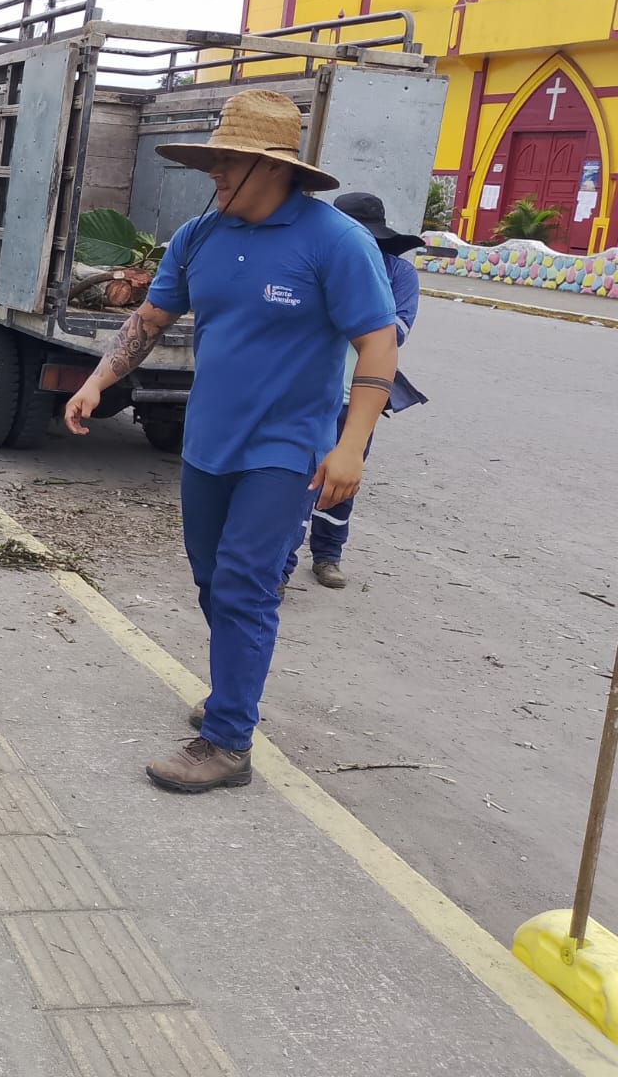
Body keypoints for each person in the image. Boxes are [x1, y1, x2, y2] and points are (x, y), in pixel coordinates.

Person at [63, 89, 398, 794]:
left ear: (273, 167)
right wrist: (97, 381)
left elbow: (377, 342)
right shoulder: (199, 237)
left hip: (286, 447)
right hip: (207, 441)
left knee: (246, 585)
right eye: (212, 160)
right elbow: (150, 320)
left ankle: (227, 741)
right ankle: (232, 690)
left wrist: (351, 446)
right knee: (212, 581)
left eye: (227, 161)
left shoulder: (336, 242)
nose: (212, 172)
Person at [281, 191, 425, 592]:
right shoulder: (315, 262)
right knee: (295, 481)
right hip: (307, 393)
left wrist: (355, 311)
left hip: (358, 396)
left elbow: (395, 332)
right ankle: (280, 566)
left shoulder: (399, 274)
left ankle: (328, 555)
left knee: (342, 481)